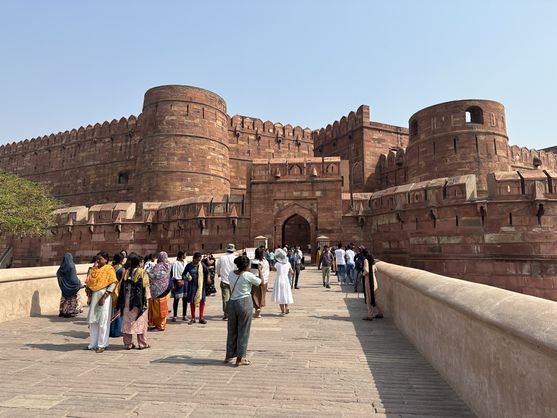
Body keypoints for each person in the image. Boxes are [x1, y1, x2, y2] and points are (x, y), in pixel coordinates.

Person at [224, 255, 261, 366]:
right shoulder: (248, 275)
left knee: (232, 330)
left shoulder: (231, 274)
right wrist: (259, 270)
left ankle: (229, 355)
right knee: (243, 331)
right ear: (247, 265)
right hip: (244, 302)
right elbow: (260, 282)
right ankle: (240, 358)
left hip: (232, 303)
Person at [85, 252, 118, 353]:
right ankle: (93, 344)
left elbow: (113, 284)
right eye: (97, 259)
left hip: (104, 298)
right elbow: (89, 283)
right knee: (93, 322)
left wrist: (104, 297)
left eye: (100, 259)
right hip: (94, 297)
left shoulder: (109, 269)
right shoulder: (94, 270)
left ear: (106, 260)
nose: (98, 261)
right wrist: (89, 292)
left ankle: (102, 344)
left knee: (103, 322)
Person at [118, 254, 151, 349]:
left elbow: (121, 286)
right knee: (141, 322)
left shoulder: (127, 272)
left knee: (127, 322)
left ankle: (128, 344)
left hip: (127, 301)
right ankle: (142, 343)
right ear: (139, 263)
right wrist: (147, 299)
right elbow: (146, 287)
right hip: (139, 301)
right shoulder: (142, 272)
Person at [148, 251, 172, 331]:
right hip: (167, 289)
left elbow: (152, 275)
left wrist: (146, 272)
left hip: (157, 291)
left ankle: (160, 326)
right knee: (163, 308)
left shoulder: (158, 266)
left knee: (158, 310)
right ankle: (160, 325)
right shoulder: (169, 265)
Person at [183, 252, 210, 324]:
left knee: (202, 301)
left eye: (199, 260)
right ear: (193, 259)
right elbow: (183, 275)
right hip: (192, 286)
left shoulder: (202, 265)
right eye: (197, 260)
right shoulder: (189, 266)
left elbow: (207, 272)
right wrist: (186, 278)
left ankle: (201, 318)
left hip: (201, 286)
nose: (198, 261)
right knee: (192, 301)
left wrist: (208, 278)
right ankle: (193, 318)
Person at [56, 252, 83, 318]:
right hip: (72, 287)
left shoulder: (61, 268)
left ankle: (63, 311)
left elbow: (59, 276)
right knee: (71, 299)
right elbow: (73, 278)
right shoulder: (71, 266)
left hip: (64, 288)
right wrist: (78, 283)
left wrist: (63, 285)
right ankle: (69, 312)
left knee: (64, 298)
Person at [216, 243, 236, 320]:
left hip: (224, 280)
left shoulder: (222, 258)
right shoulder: (235, 258)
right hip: (233, 280)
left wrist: (218, 274)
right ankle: (232, 313)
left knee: (225, 298)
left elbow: (218, 267)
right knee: (233, 297)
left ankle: (226, 313)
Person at [362, 249, 383, 321]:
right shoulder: (373, 261)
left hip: (369, 281)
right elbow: (376, 270)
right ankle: (379, 313)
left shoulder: (366, 260)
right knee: (374, 298)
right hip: (374, 280)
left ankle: (370, 315)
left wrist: (362, 274)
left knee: (369, 298)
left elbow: (366, 271)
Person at [271, 248, 294, 315]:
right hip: (286, 280)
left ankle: (283, 311)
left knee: (280, 295)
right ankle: (286, 308)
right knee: (286, 294)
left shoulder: (277, 264)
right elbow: (291, 271)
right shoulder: (288, 263)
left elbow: (273, 269)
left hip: (279, 279)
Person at [251, 247, 269, 318]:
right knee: (262, 295)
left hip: (255, 280)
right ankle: (259, 310)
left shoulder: (252, 262)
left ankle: (256, 309)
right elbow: (267, 272)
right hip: (264, 280)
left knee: (255, 295)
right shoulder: (265, 262)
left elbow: (251, 271)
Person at [109, 253, 125, 337]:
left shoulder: (110, 268)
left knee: (111, 311)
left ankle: (110, 330)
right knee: (118, 311)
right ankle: (117, 331)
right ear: (122, 260)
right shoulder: (122, 270)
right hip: (118, 291)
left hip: (110, 291)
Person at [171, 251, 187, 322]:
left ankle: (184, 315)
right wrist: (177, 280)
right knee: (176, 299)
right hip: (178, 282)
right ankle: (174, 315)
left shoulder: (185, 262)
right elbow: (174, 274)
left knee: (185, 299)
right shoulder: (175, 263)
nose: (185, 256)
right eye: (185, 254)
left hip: (185, 282)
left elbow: (187, 271)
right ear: (182, 255)